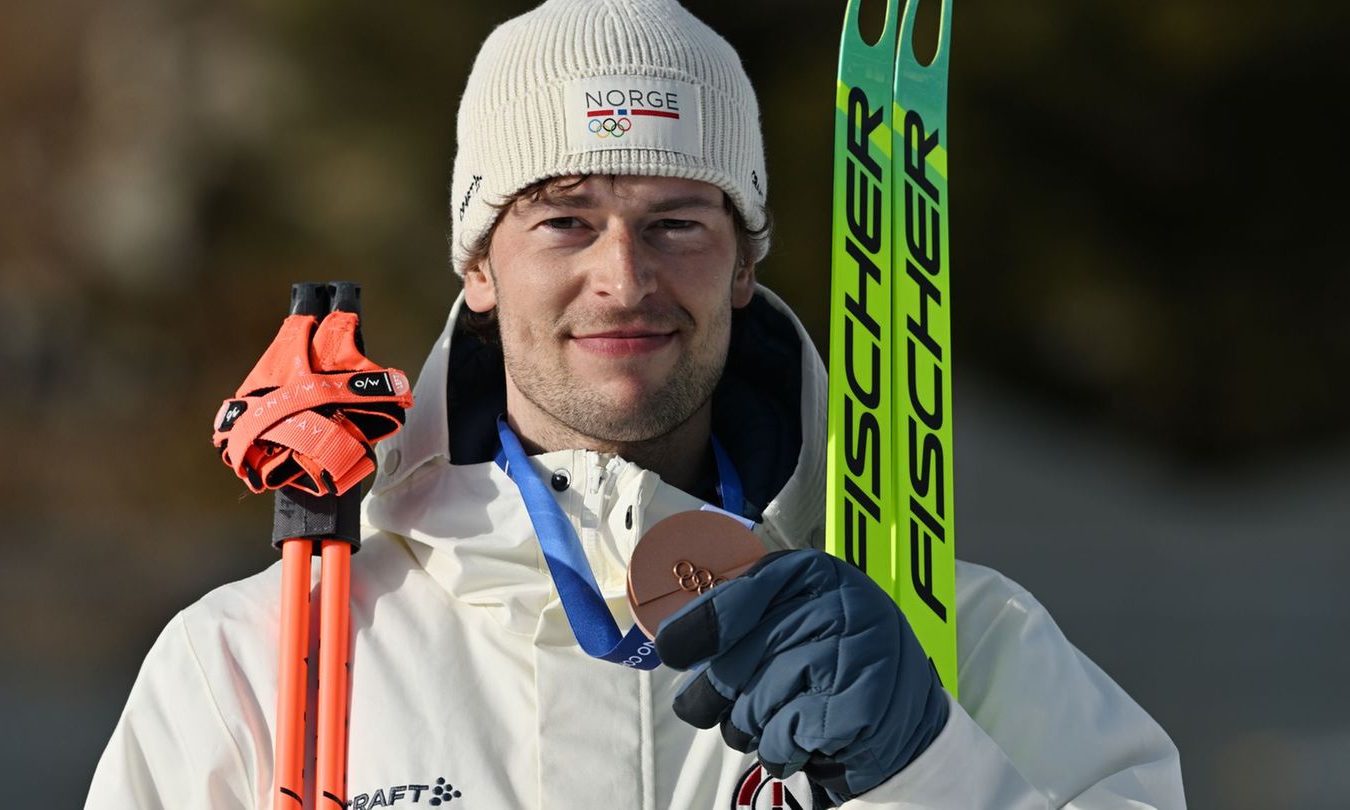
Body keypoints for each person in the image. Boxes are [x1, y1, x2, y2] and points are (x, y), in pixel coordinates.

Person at [86, 1, 1186, 807]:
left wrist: (929, 774)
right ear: (478, 266)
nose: (623, 277)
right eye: (564, 220)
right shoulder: (262, 664)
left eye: (677, 223)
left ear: (743, 266)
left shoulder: (949, 640)